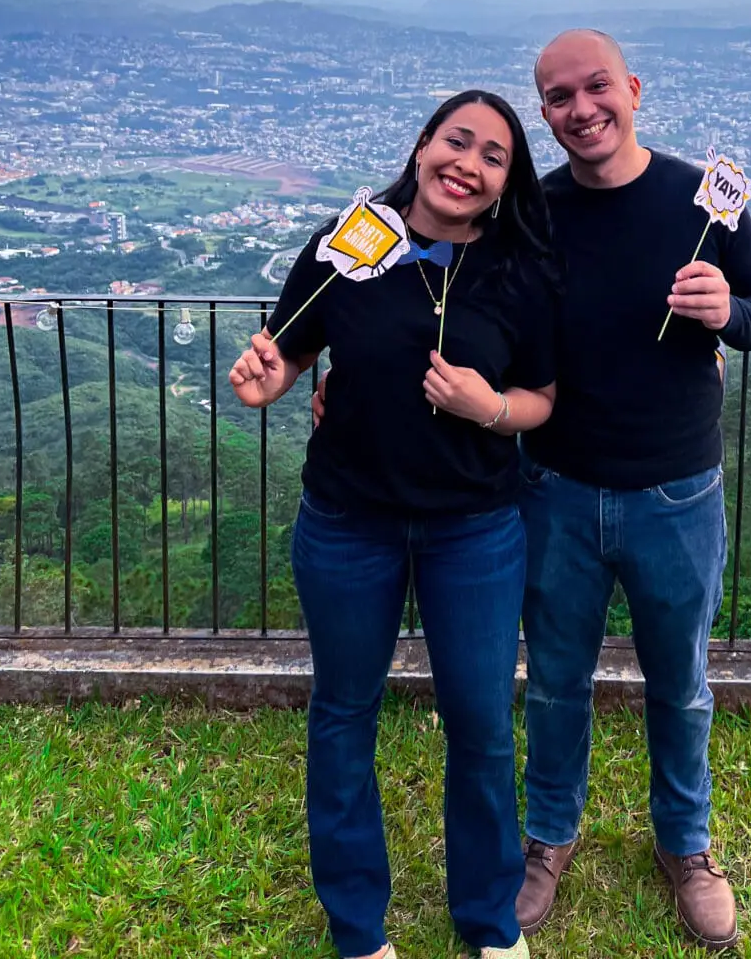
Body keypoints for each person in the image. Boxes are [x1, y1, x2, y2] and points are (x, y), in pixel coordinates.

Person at [230, 90, 557, 959]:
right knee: (344, 713)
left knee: (482, 724)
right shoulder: (352, 243)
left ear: (503, 184)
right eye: (458, 142)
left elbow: (544, 397)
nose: (470, 164)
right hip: (347, 521)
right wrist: (273, 379)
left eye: (494, 156)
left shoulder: (516, 267)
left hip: (476, 530)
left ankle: (490, 923)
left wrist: (491, 407)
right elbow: (291, 348)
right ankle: (357, 930)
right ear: (420, 148)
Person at [516, 29, 751, 950]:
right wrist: (336, 368)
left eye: (598, 88)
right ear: (542, 112)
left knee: (682, 684)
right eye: (560, 97)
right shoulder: (537, 211)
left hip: (677, 491)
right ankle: (548, 836)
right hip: (555, 487)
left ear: (633, 88)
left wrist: (728, 310)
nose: (583, 109)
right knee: (555, 683)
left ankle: (687, 845)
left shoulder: (698, 201)